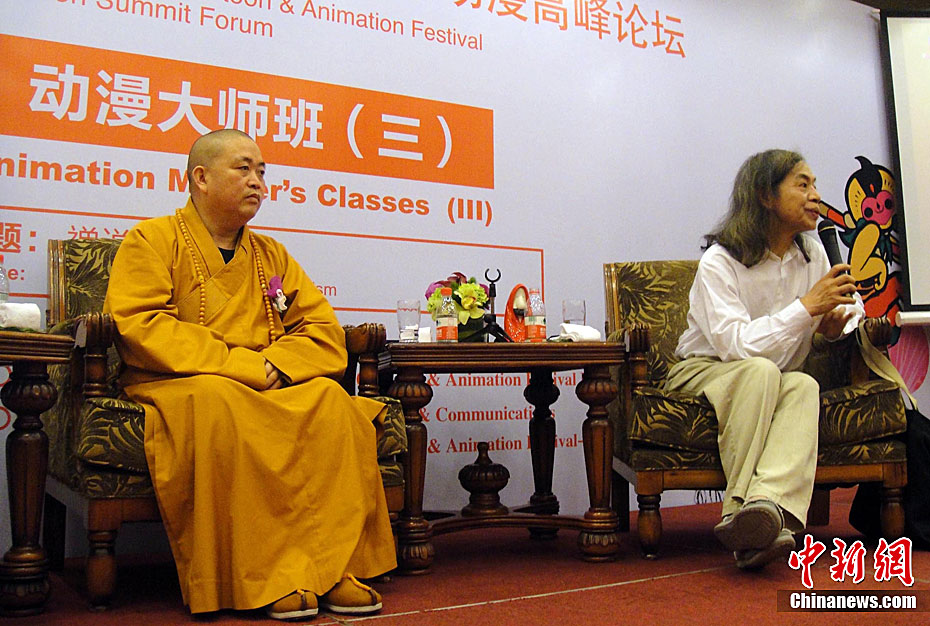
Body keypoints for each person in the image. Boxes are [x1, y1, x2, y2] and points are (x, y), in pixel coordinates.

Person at [103, 129, 396, 619]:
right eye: (244, 169)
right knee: (221, 402)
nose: (258, 181)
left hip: (268, 379)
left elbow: (323, 331)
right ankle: (265, 577)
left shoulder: (271, 255)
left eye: (262, 171)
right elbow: (141, 325)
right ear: (201, 178)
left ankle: (333, 569)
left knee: (330, 401)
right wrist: (243, 367)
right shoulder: (151, 240)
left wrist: (277, 365)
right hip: (180, 382)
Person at [667, 149, 863, 569]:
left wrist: (836, 325)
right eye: (802, 185)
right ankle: (737, 514)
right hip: (702, 370)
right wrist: (806, 308)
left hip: (773, 375)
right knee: (760, 370)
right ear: (765, 196)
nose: (816, 196)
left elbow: (852, 309)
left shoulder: (814, 253)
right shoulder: (721, 260)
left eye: (815, 185)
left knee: (803, 385)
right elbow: (736, 346)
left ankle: (767, 511)